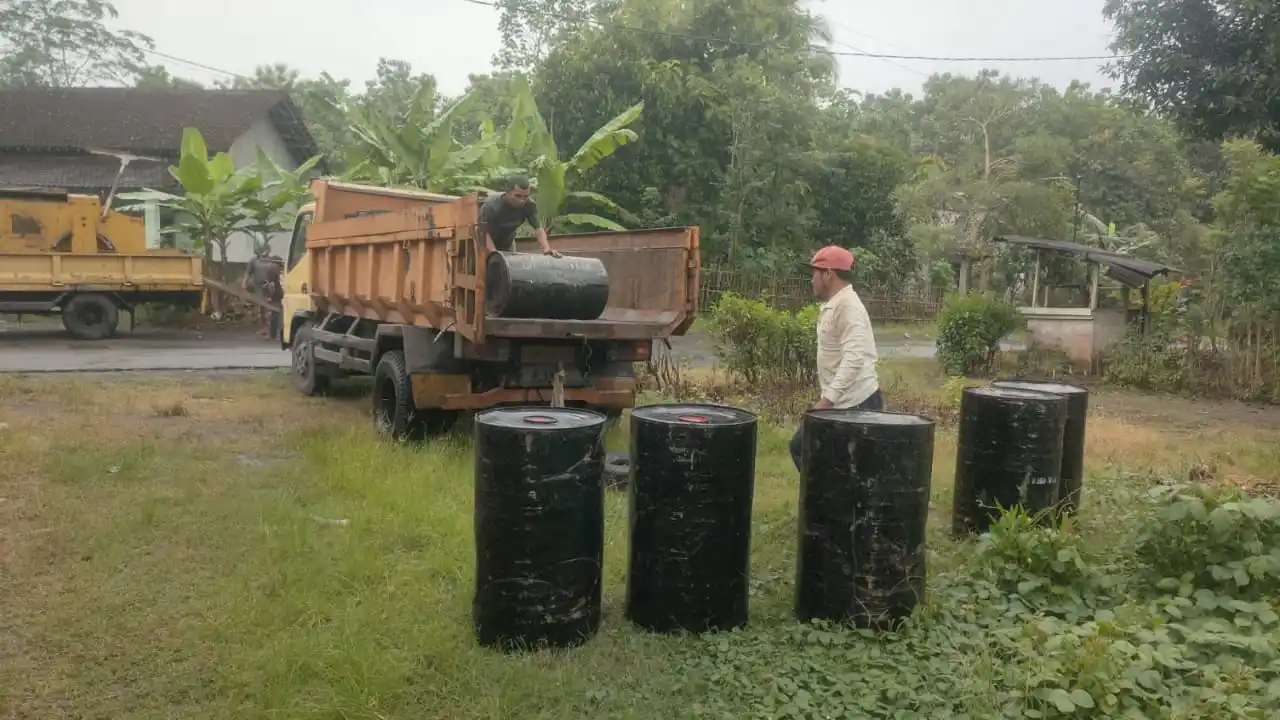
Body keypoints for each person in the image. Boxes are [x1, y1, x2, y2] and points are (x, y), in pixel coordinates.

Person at [789, 245, 883, 471]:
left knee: (810, 450)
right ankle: (828, 504)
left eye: (815, 273)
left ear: (829, 274)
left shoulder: (849, 307)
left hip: (858, 403)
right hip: (843, 402)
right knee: (821, 457)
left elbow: (853, 360)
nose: (812, 280)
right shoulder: (837, 304)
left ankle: (833, 504)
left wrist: (826, 401)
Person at [477, 175, 561, 257]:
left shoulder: (529, 205)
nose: (522, 200)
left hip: (508, 241)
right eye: (518, 196)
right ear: (508, 192)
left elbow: (538, 229)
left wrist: (547, 248)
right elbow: (484, 233)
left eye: (525, 196)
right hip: (485, 240)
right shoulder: (492, 206)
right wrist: (494, 253)